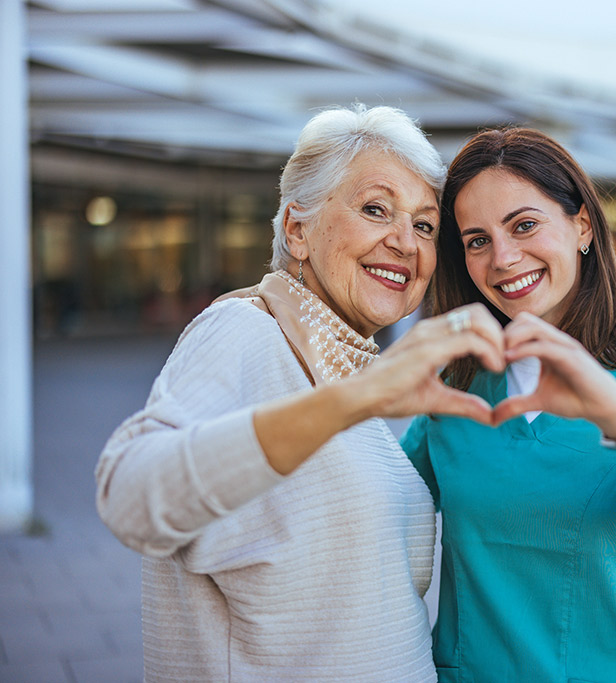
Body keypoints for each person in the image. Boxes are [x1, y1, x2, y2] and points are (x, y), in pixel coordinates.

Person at [95, 105, 506, 681]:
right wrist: (352, 402)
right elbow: (129, 495)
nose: (405, 243)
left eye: (424, 225)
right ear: (297, 230)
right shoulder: (246, 329)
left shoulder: (346, 371)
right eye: (375, 209)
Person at [401, 128, 616, 682]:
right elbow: (369, 511)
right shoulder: (455, 388)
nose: (504, 258)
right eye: (477, 240)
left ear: (582, 224)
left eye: (525, 224)